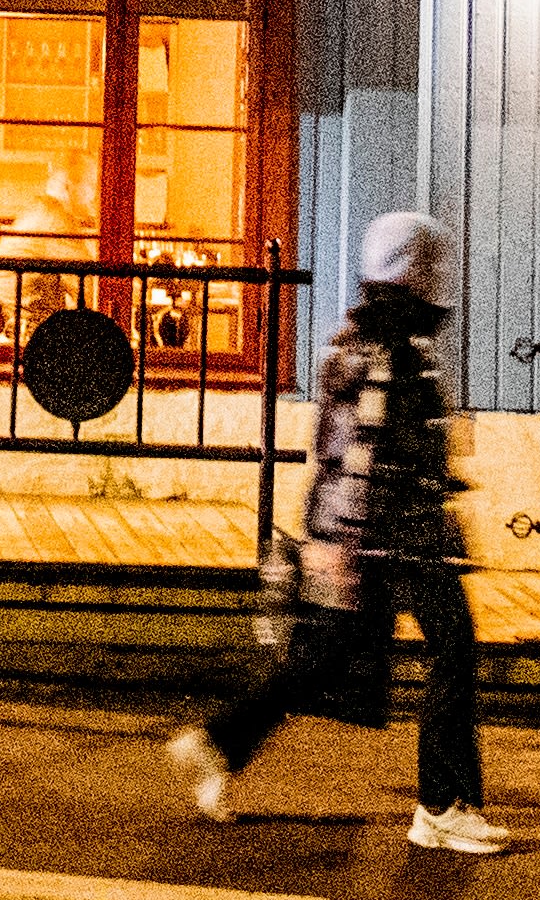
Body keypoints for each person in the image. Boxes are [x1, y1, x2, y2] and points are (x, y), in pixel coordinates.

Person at [164, 211, 501, 854]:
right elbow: (366, 449)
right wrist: (344, 543)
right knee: (454, 652)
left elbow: (337, 446)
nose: (441, 283)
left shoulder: (355, 337)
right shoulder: (392, 350)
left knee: (326, 658)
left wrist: (331, 532)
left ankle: (219, 744)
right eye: (432, 269)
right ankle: (443, 806)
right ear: (417, 275)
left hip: (377, 529)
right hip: (399, 532)